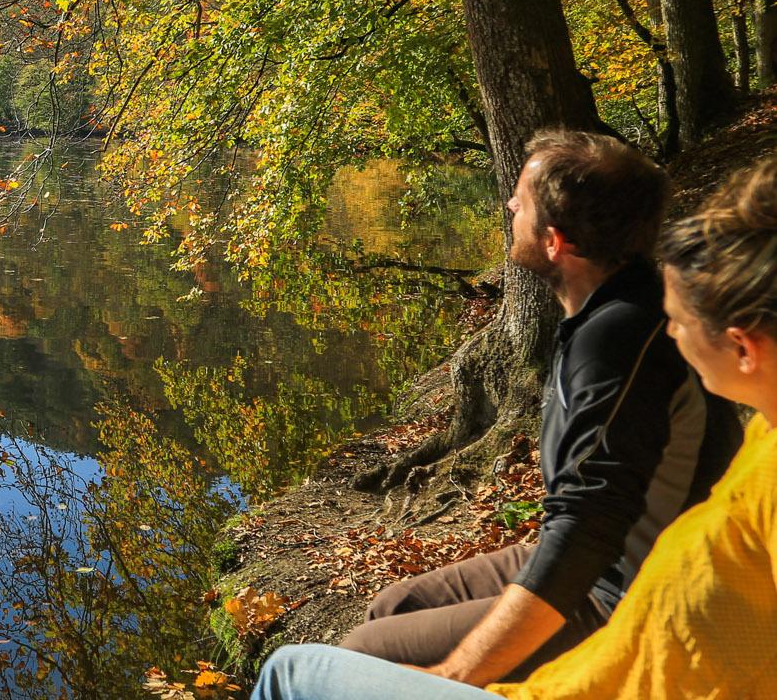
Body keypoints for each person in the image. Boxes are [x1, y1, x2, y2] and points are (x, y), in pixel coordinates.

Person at [253, 154, 777, 699]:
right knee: (393, 606)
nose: (507, 205)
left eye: (520, 202)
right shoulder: (613, 317)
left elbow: (588, 528)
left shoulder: (619, 340)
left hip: (608, 586)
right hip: (613, 578)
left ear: (556, 241)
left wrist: (457, 676)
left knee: (310, 667)